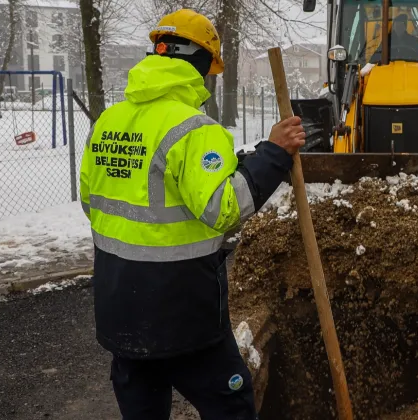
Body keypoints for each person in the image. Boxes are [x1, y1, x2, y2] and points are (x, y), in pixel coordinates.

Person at [79, 9, 305, 420]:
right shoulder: (193, 128)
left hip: (120, 313)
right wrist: (273, 154)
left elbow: (92, 203)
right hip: (183, 317)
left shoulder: (107, 122)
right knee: (232, 407)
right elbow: (224, 208)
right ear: (201, 64)